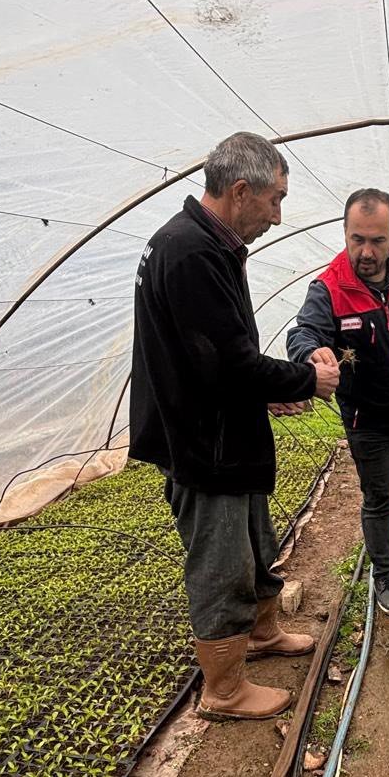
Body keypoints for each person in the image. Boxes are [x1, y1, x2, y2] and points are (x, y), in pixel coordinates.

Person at [130, 131, 340, 720]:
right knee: (222, 564)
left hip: (224, 427)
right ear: (241, 190)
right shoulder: (191, 251)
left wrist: (262, 396)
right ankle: (223, 692)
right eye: (275, 200)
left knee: (255, 542)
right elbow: (226, 361)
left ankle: (263, 634)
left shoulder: (204, 243)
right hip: (205, 444)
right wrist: (304, 381)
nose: (278, 216)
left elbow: (211, 357)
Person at [287, 187, 389, 616]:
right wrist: (311, 352)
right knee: (379, 498)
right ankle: (384, 574)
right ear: (344, 233)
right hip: (368, 418)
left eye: (376, 240)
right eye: (357, 239)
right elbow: (303, 331)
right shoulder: (329, 288)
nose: (366, 251)